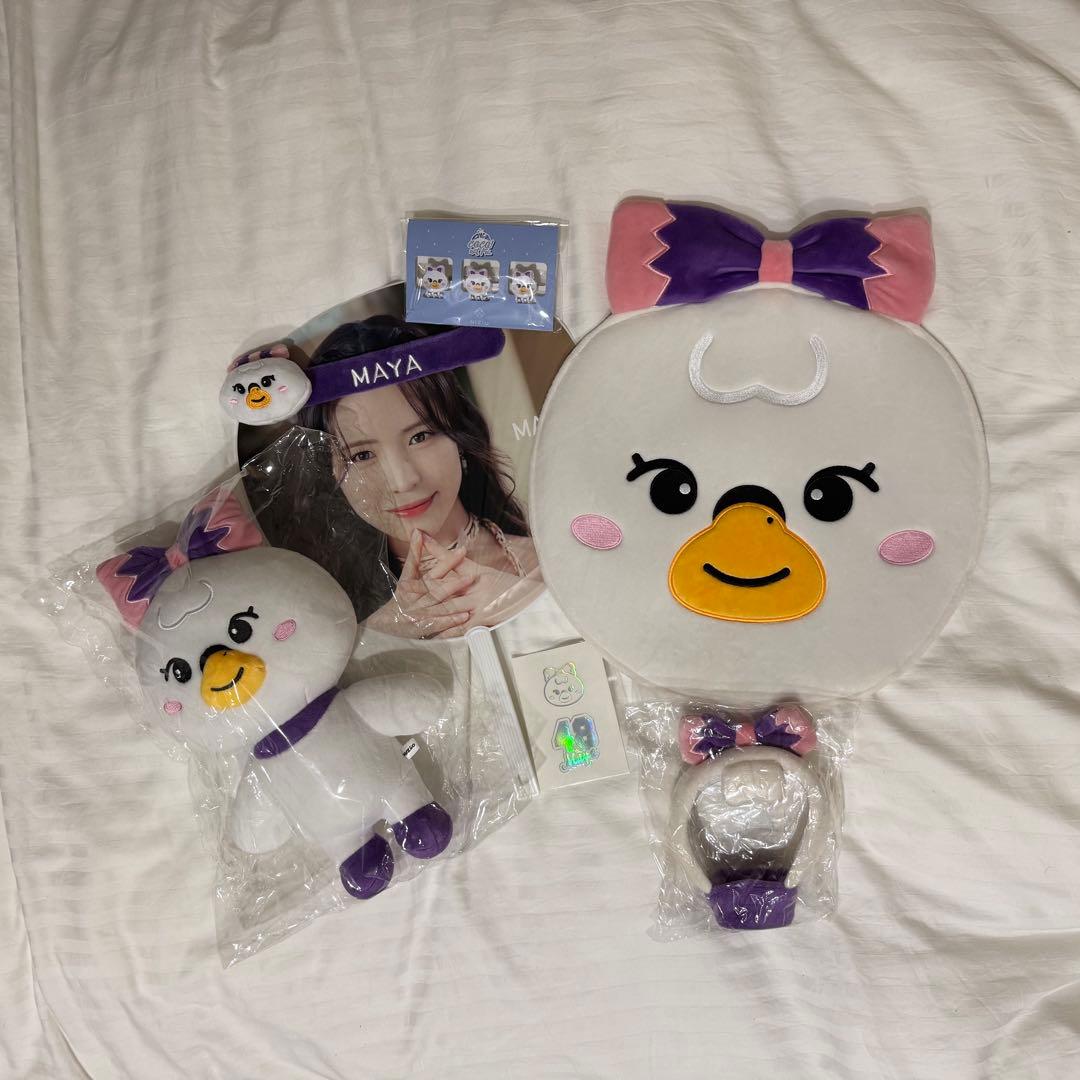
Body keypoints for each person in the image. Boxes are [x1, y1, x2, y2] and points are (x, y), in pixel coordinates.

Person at [297, 316, 542, 639]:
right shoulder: (327, 622)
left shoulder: (548, 565)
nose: (402, 481)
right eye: (362, 455)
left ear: (458, 435)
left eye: (420, 437)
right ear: (330, 473)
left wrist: (530, 601)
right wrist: (378, 635)